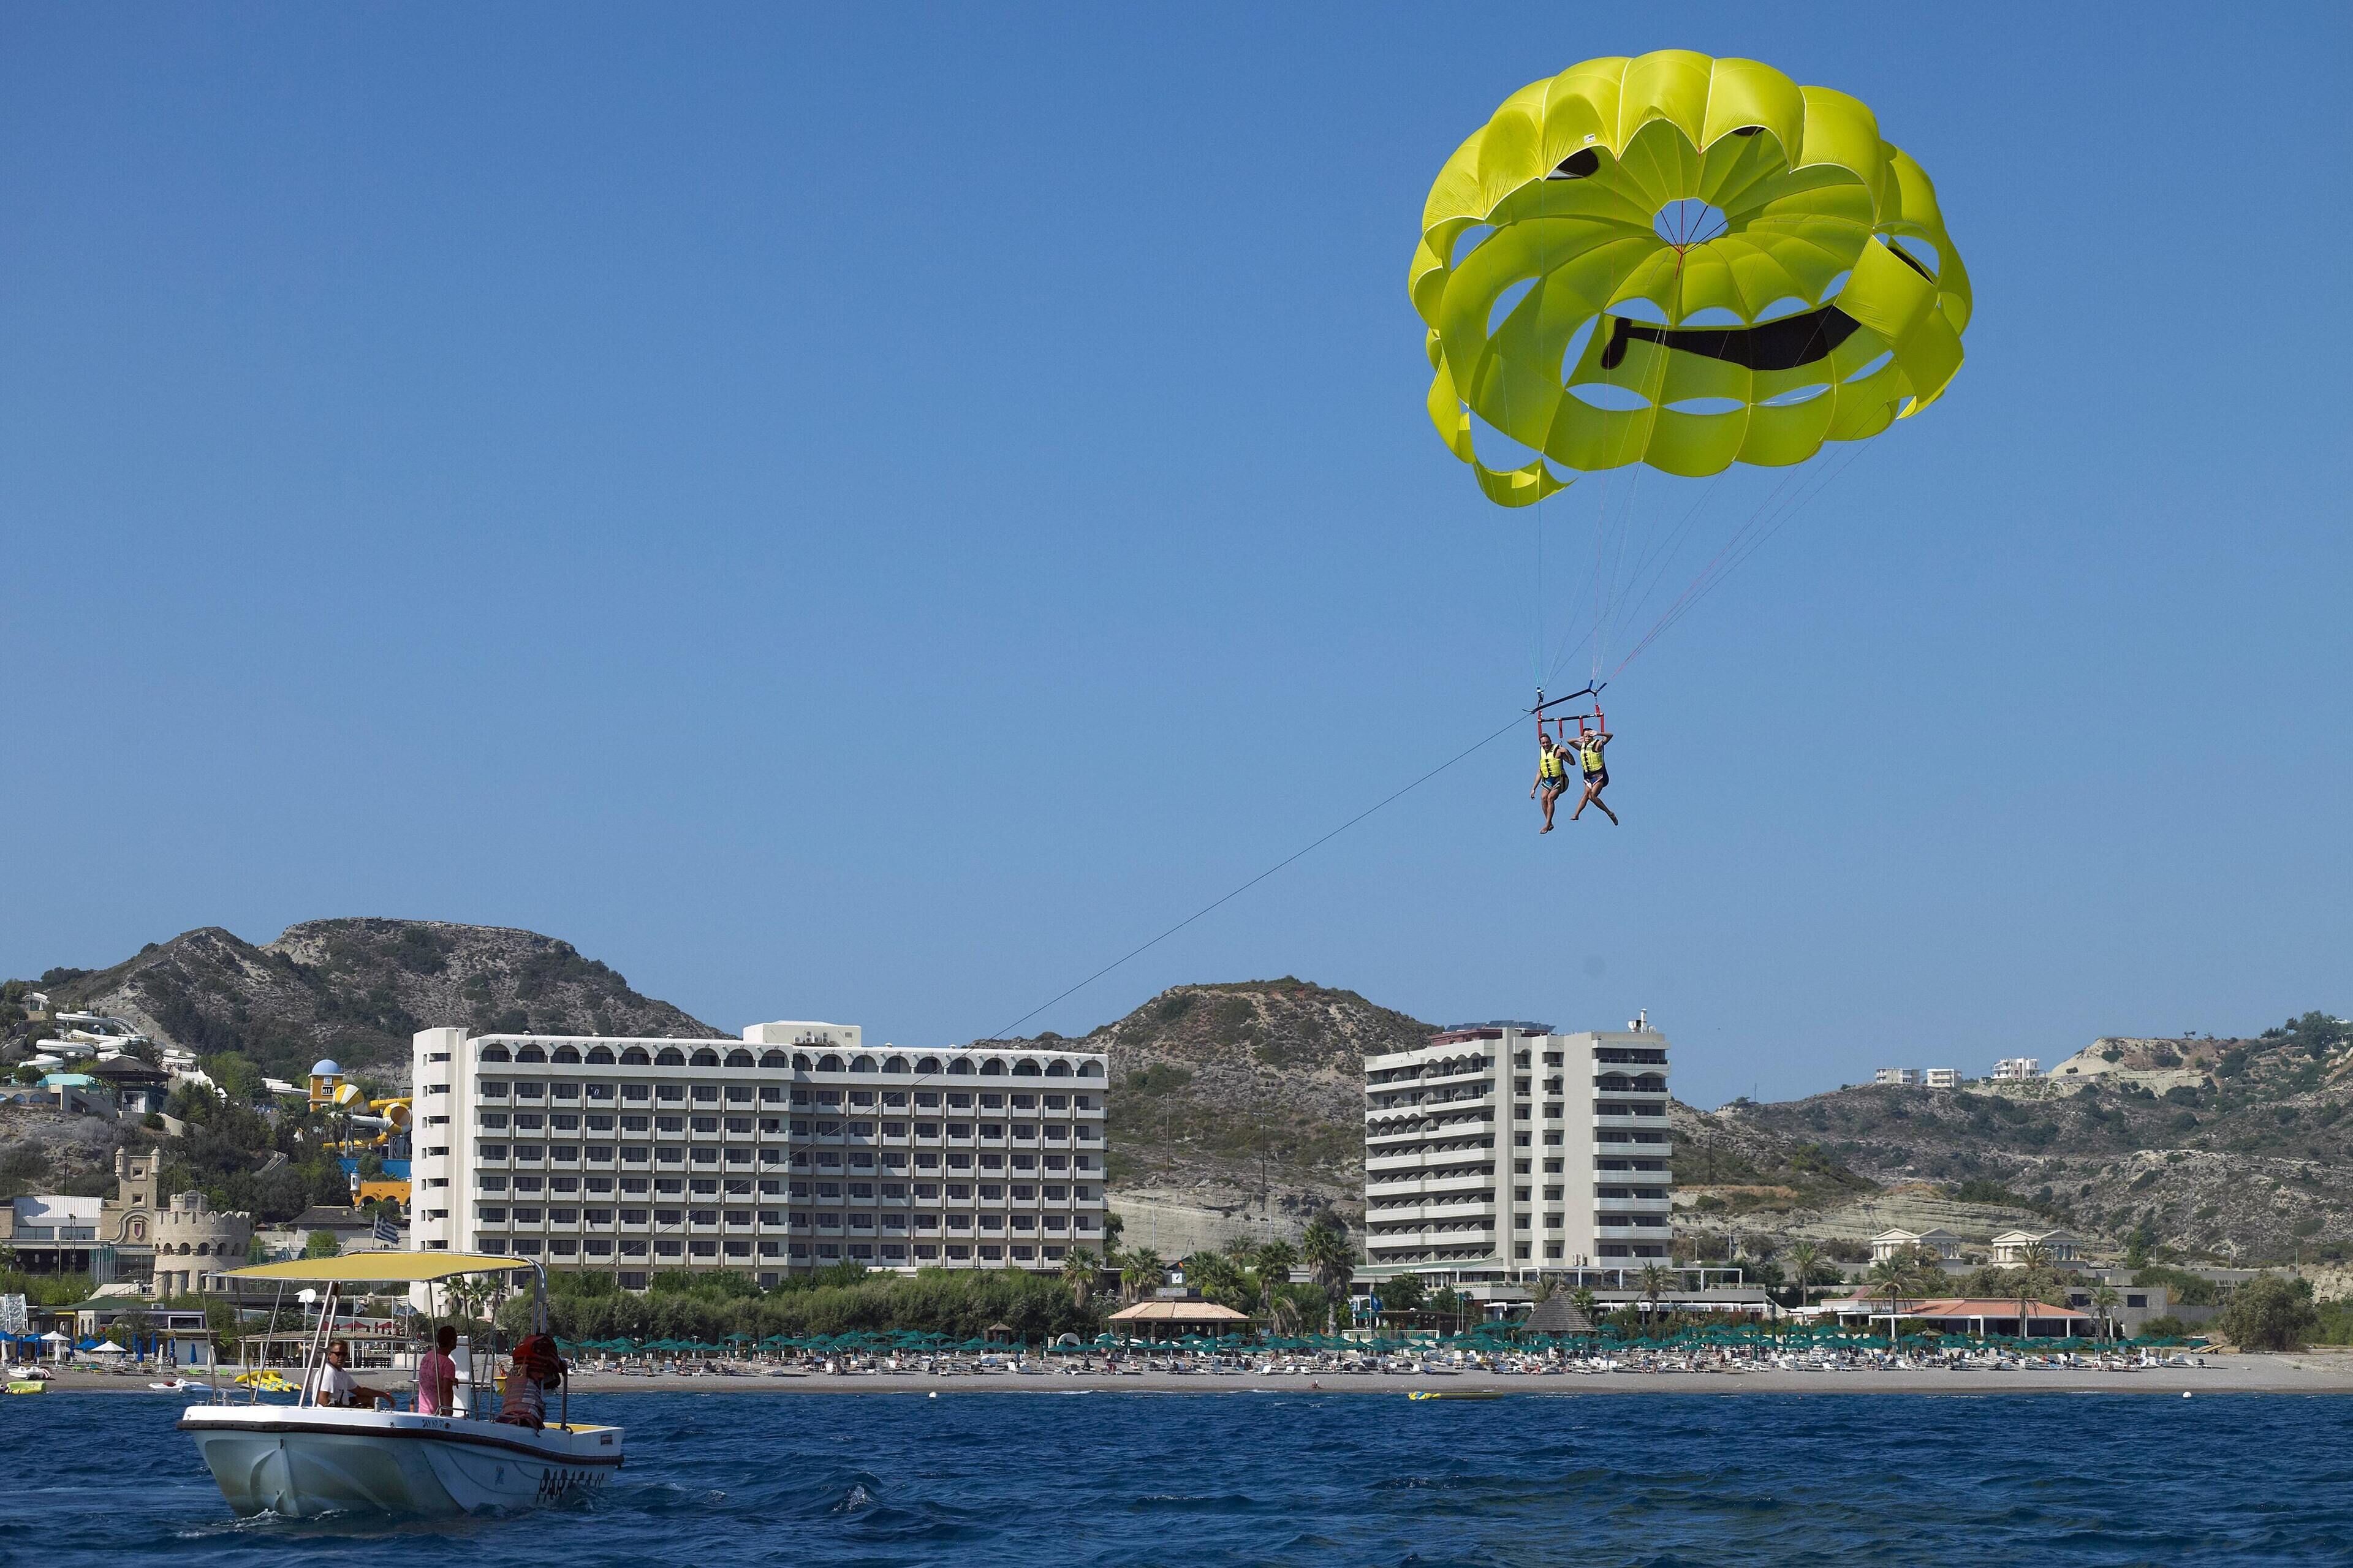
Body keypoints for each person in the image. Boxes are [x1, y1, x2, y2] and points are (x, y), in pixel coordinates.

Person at [496, 1333, 565, 1431]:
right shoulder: (537, 1369)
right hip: (526, 1417)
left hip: (506, 1415)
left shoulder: (515, 1372)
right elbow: (554, 1380)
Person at [303, 1338, 395, 1410]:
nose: (341, 1357)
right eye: (338, 1354)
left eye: (344, 1354)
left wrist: (384, 1395)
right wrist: (343, 1411)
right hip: (331, 1411)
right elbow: (321, 1399)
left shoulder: (342, 1373)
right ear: (330, 1355)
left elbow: (359, 1391)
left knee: (368, 1400)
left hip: (343, 1405)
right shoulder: (328, 1372)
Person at [1569, 726, 1618, 825]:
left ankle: (1610, 813)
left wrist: (1598, 733)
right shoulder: (1582, 747)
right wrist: (1578, 739)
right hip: (1588, 776)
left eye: (1590, 736)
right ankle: (1577, 814)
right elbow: (1569, 741)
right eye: (1586, 736)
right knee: (1586, 794)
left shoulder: (1597, 745)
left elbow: (1610, 736)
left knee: (1592, 796)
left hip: (1599, 775)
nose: (1587, 738)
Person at [1530, 733, 1571, 833]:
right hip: (1548, 781)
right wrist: (1534, 788)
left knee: (1550, 798)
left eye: (1547, 742)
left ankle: (1547, 824)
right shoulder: (1542, 753)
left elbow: (1572, 763)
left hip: (1560, 780)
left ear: (1551, 742)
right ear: (1541, 744)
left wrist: (1567, 752)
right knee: (1543, 798)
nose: (1546, 745)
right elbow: (1540, 772)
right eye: (1543, 743)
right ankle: (1549, 823)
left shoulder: (1558, 751)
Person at [417, 1324, 458, 1417]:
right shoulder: (448, 1364)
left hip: (422, 1411)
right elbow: (447, 1392)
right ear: (452, 1342)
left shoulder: (428, 1356)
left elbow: (433, 1376)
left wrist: (450, 1380)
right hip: (437, 1414)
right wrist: (449, 1416)